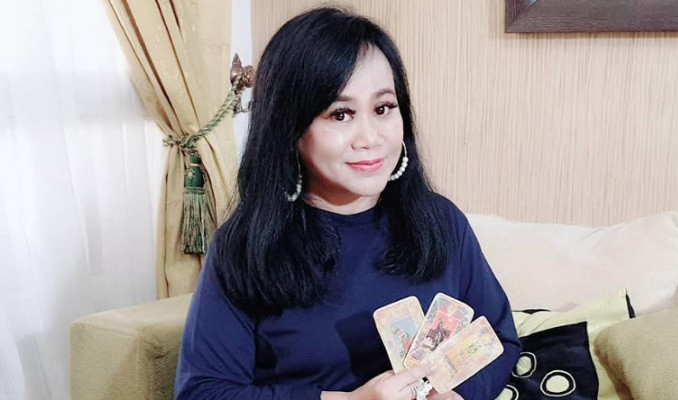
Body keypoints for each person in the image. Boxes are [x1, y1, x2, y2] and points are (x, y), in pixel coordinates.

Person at [175, 6, 520, 400]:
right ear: (289, 128)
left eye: (383, 108)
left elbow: (499, 338)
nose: (370, 138)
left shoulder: (441, 222)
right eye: (341, 114)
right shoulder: (243, 247)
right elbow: (202, 391)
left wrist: (460, 395)